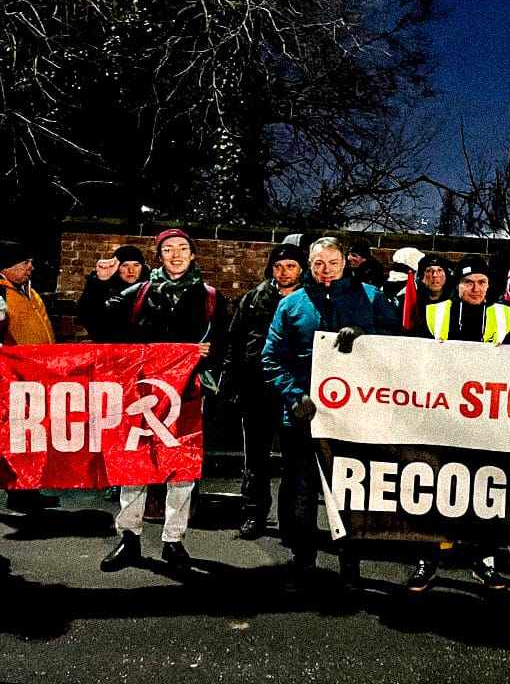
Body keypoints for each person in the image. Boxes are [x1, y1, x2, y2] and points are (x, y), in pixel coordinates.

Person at [261, 237, 400, 584]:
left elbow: (397, 342)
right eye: (318, 264)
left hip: (356, 416)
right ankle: (303, 558)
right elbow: (272, 358)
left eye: (333, 263)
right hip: (304, 414)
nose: (326, 271)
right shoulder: (292, 305)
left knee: (350, 490)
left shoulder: (371, 297)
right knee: (302, 488)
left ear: (345, 263)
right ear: (309, 264)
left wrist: (365, 336)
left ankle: (350, 559)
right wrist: (294, 396)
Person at [99, 228, 229, 573]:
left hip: (186, 393)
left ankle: (174, 540)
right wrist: (99, 283)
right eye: (168, 249)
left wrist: (207, 356)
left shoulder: (210, 297)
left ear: (192, 255)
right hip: (140, 393)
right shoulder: (138, 293)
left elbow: (223, 346)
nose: (175, 255)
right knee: (134, 465)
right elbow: (102, 326)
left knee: (181, 468)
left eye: (182, 249)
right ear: (158, 256)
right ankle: (129, 536)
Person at [408, 255, 510, 592]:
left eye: (482, 282)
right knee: (436, 488)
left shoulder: (505, 315)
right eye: (469, 282)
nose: (476, 289)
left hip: (491, 418)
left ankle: (485, 563)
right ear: (458, 285)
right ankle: (428, 560)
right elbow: (408, 355)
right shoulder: (434, 313)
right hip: (442, 416)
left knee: (488, 490)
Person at [221, 242, 307, 540]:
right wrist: (230, 383)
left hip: (292, 389)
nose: (284, 272)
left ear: (301, 269)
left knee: (294, 459)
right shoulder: (255, 298)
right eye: (279, 266)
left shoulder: (309, 300)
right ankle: (254, 514)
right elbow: (235, 340)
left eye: (291, 266)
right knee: (255, 458)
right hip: (256, 387)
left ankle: (291, 521)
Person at [0, 240, 61, 514]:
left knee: (32, 436)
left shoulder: (29, 292)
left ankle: (27, 490)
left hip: (37, 375)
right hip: (14, 377)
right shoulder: (1, 293)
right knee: (15, 437)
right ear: (8, 266)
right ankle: (19, 491)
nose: (31, 268)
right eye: (25, 263)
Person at [77, 245, 150, 341]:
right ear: (116, 268)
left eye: (136, 265)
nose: (131, 271)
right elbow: (85, 317)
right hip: (110, 348)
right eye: (124, 265)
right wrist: (99, 282)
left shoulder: (151, 289)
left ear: (142, 267)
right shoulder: (103, 287)